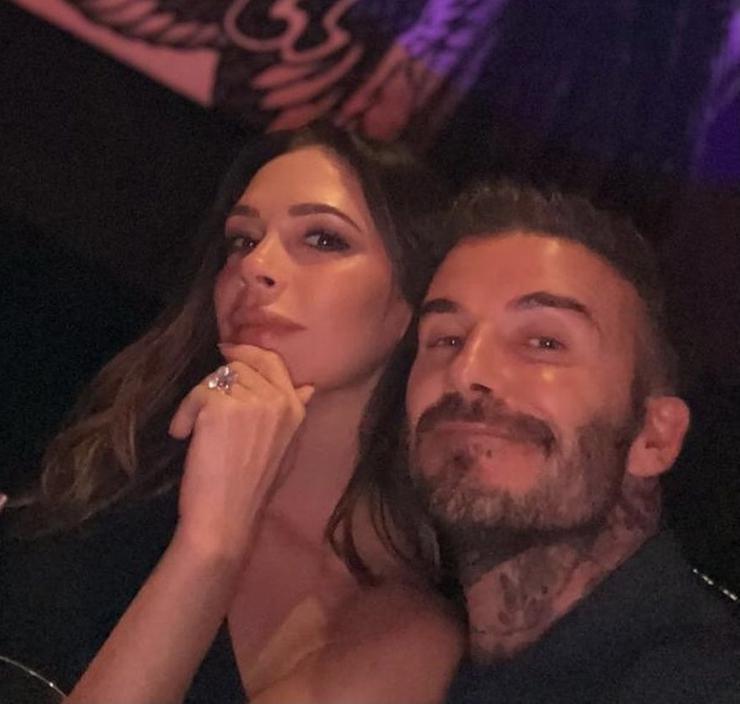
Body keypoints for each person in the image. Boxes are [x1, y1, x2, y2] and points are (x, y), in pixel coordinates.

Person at [0, 123, 463, 703]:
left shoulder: (400, 633)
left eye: (323, 239)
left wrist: (211, 547)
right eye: (243, 240)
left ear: (418, 304)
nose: (255, 265)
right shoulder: (127, 455)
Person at [405, 181, 740, 703]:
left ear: (654, 438)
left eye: (545, 342)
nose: (466, 371)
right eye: (446, 338)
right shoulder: (409, 656)